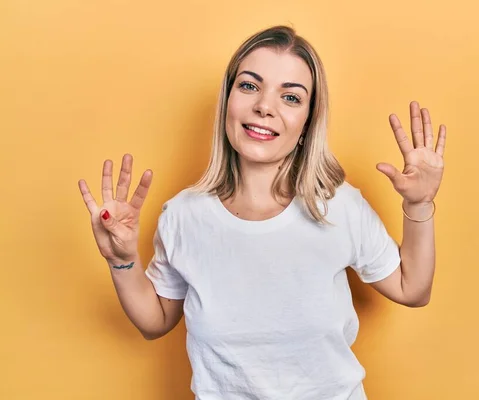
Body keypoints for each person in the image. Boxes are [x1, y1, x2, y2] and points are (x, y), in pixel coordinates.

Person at [78, 25, 446, 400]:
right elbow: (155, 322)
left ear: (307, 121)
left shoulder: (337, 206)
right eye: (250, 86)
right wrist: (122, 261)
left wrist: (419, 205)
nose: (265, 107)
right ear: (228, 100)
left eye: (290, 97)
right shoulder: (183, 217)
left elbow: (411, 288)